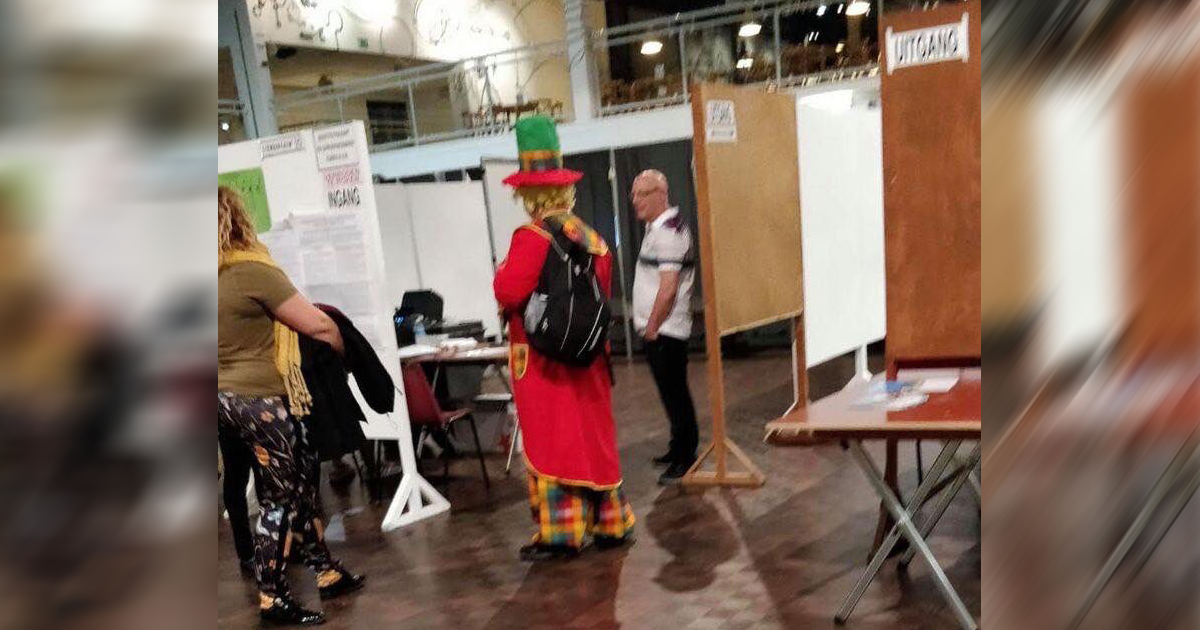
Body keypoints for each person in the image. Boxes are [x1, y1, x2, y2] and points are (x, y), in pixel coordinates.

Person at [217, 186, 364, 626]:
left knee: (300, 482)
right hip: (262, 399)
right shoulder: (250, 270)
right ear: (238, 218)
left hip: (225, 398)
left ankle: (325, 570)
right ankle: (272, 596)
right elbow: (317, 324)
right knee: (280, 497)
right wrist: (343, 356)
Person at [493, 116, 635, 561]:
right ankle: (612, 522)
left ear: (527, 193)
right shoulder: (592, 238)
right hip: (589, 356)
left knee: (554, 442)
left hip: (543, 360)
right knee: (594, 437)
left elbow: (508, 291)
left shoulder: (531, 237)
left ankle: (562, 532)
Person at [630, 169, 699, 485]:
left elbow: (668, 288)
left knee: (676, 395)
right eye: (633, 195)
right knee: (670, 395)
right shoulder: (658, 228)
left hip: (666, 331)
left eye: (642, 194)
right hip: (661, 330)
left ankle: (685, 458)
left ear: (661, 194)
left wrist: (652, 327)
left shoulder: (668, 232)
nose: (636, 201)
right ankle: (677, 447)